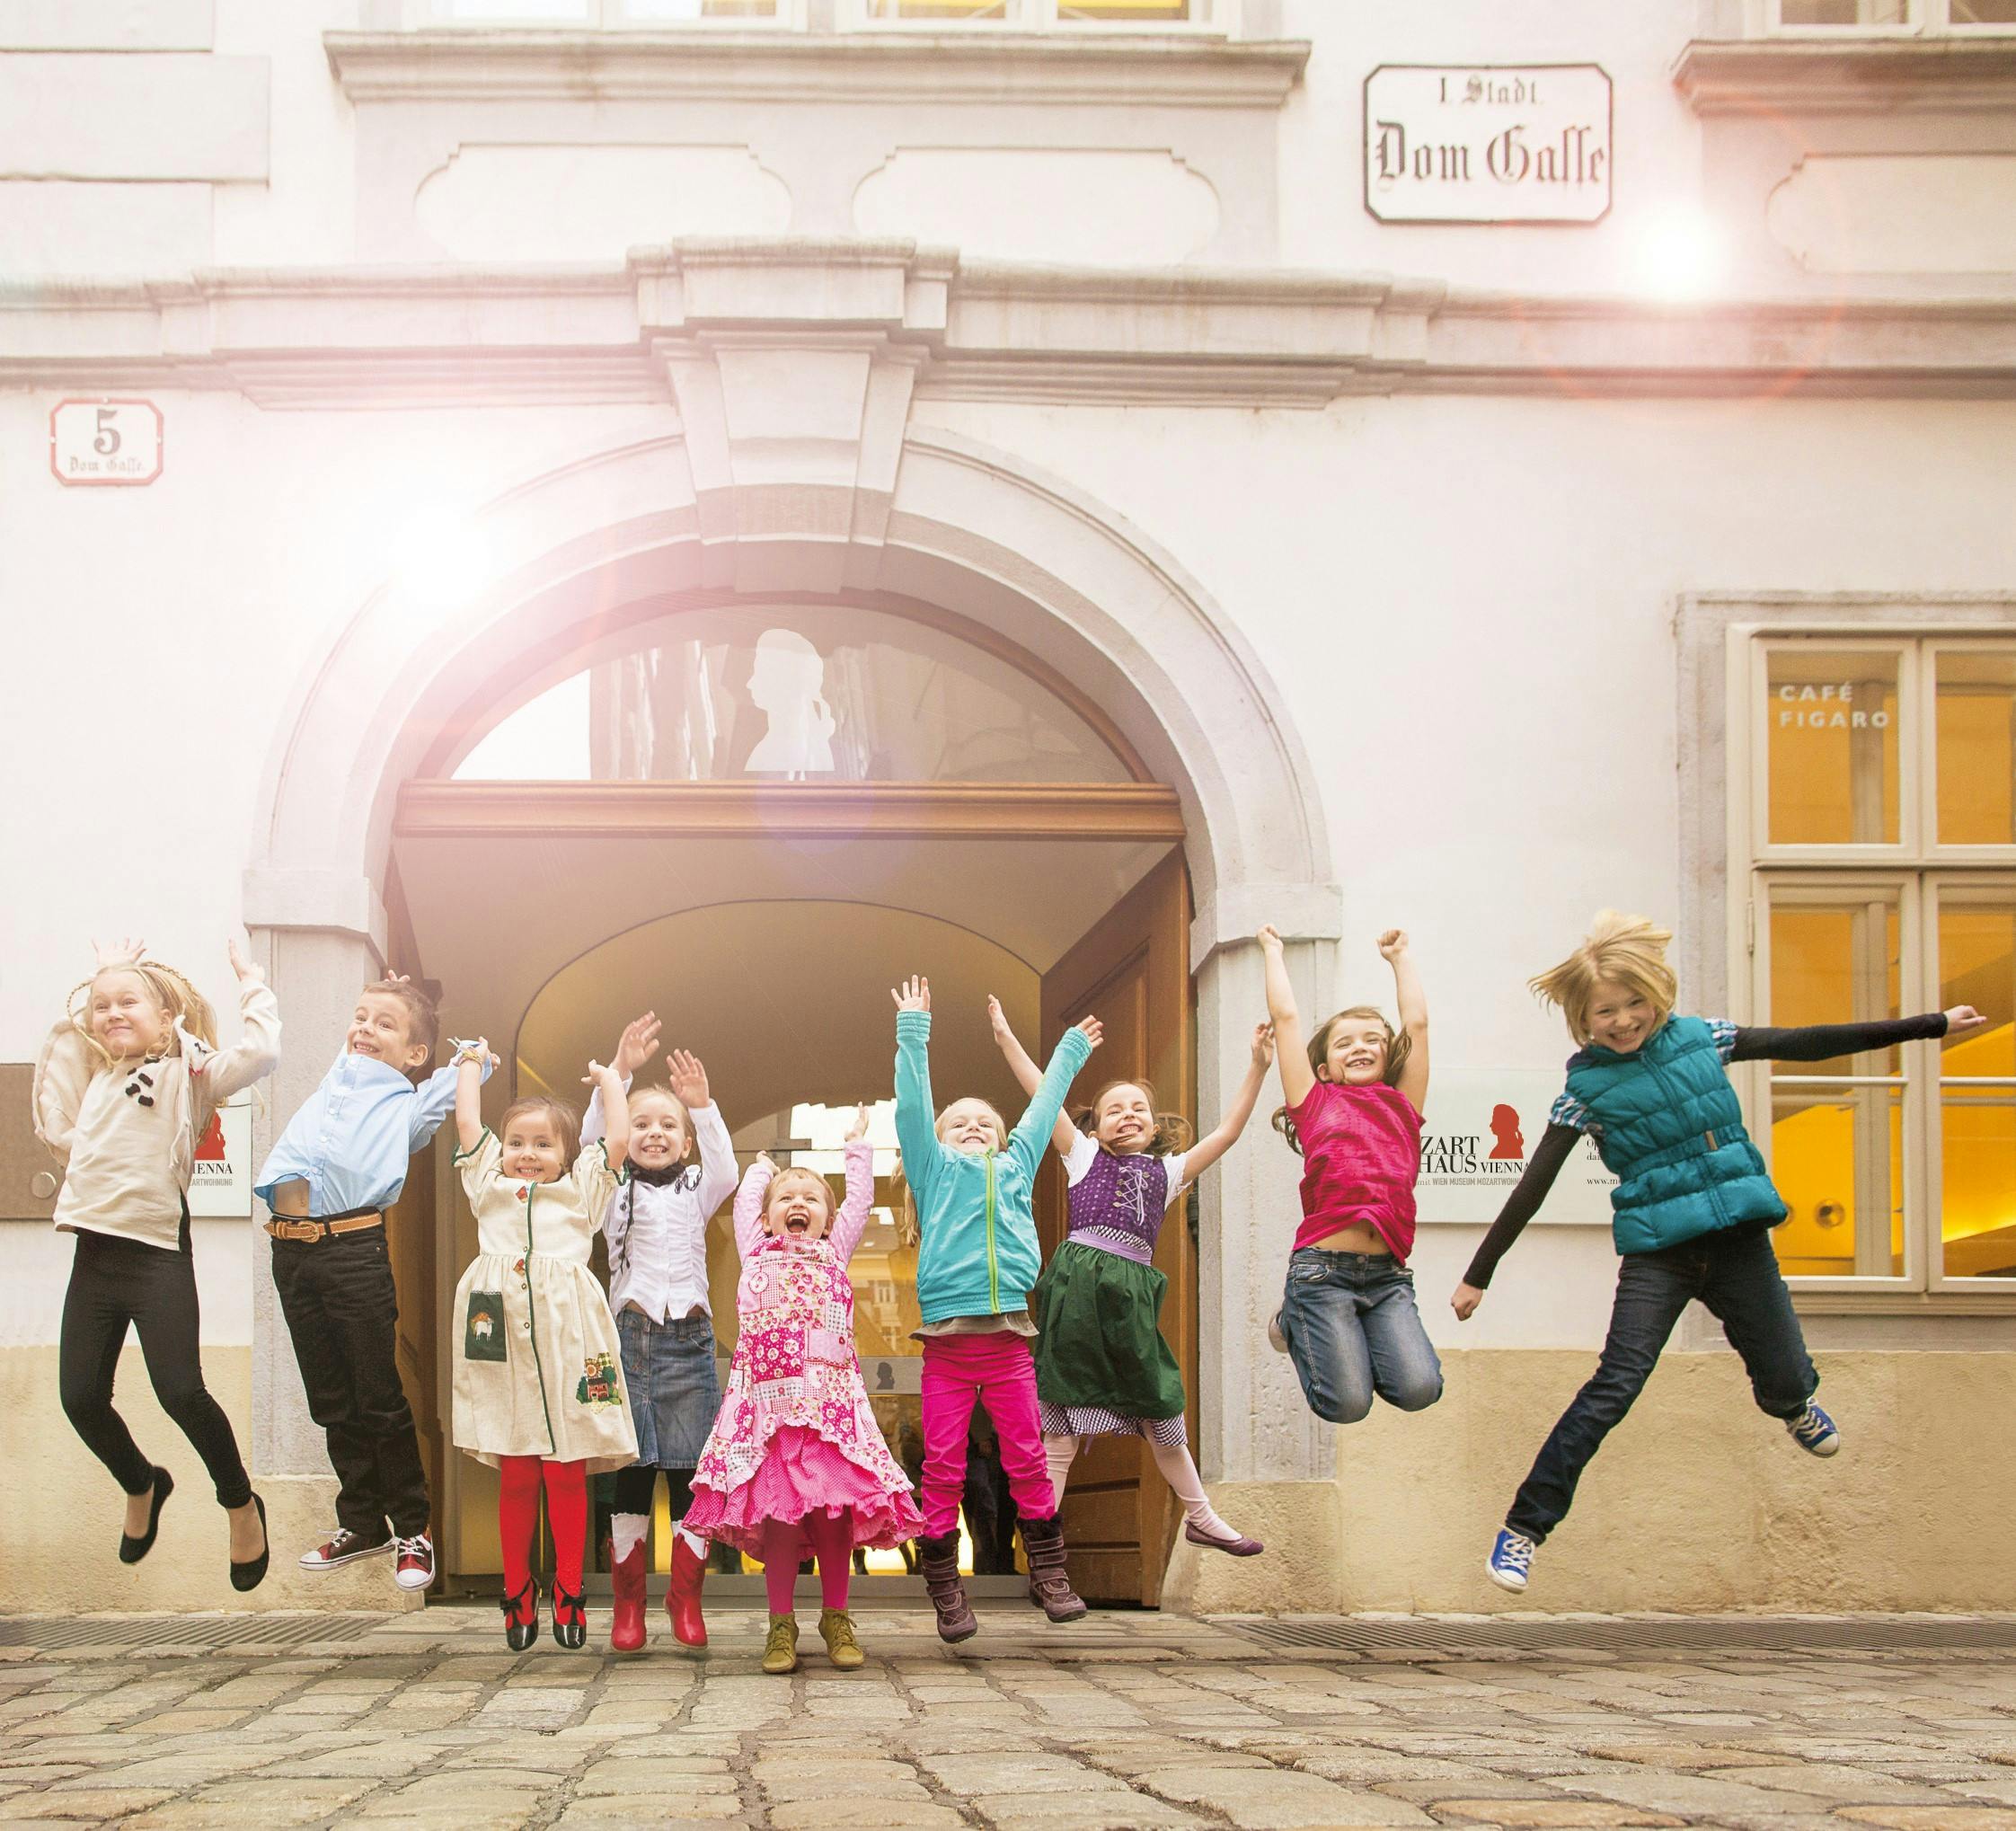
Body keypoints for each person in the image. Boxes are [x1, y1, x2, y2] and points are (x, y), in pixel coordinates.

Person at [1455, 909, 1988, 1594]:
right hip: (1660, 1254)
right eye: (1603, 1013)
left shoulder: (1704, 1038)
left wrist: (1930, 1024)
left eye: (1633, 1003)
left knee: (1790, 1377)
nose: (1622, 1021)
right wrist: (1478, 1277)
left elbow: (1809, 1042)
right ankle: (1524, 1530)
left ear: (1657, 993)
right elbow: (1533, 1186)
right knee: (1614, 1385)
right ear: (1582, 1021)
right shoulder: (1584, 1092)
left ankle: (1793, 1406)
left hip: (1737, 1238)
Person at [35, 936, 279, 1590]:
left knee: (181, 1392)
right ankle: (143, 1482)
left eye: (130, 1003)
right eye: (101, 1006)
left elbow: (261, 1053)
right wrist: (98, 981)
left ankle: (239, 1504)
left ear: (166, 1019)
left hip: (156, 1256)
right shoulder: (94, 1081)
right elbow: (60, 1067)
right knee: (80, 1398)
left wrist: (251, 980)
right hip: (95, 1256)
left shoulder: (186, 1074)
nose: (112, 1012)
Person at [990, 998, 1273, 1556]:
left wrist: (1259, 1067)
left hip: (1129, 1306)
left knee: (1161, 1406)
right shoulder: (1081, 1156)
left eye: (1139, 1107)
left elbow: (1228, 1133)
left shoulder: (1170, 1172)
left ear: (1153, 1121)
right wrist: (1005, 1039)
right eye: (1114, 1108)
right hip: (1076, 1300)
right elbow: (1040, 1093)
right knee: (1062, 1424)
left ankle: (1202, 1516)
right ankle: (1043, 1537)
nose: (1128, 1114)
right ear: (1095, 1123)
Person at [256, 973, 483, 1592]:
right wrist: (383, 1004)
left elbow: (474, 1057)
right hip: (291, 1253)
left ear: (414, 1054)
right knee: (329, 1399)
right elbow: (359, 1037)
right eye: (360, 1017)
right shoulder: (339, 1075)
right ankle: (361, 1521)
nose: (365, 1029)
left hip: (353, 1250)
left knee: (377, 1396)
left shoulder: (408, 1106)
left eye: (385, 1024)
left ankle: (413, 1527)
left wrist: (432, 1011)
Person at [892, 976, 1097, 1642]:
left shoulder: (1016, 1165)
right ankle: (947, 1588)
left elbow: (1041, 1114)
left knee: (1028, 1459)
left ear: (1002, 1138)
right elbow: (912, 1111)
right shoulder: (931, 1168)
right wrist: (914, 1034)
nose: (974, 1126)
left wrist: (1068, 1053)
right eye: (961, 1122)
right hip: (948, 1348)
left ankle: (1049, 1571)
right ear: (941, 1139)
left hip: (1010, 1340)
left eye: (986, 1121)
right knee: (944, 1466)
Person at [683, 1115, 924, 1675]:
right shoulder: (755, 1249)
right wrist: (761, 1169)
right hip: (766, 1413)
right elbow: (747, 1202)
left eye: (811, 1196)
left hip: (830, 1412)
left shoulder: (834, 1251)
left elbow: (859, 1199)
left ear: (828, 1217)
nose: (798, 1202)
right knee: (782, 1522)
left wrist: (858, 1146)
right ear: (766, 1217)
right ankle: (780, 1624)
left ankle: (836, 1616)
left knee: (835, 1517)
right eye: (785, 1196)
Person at [449, 1044, 639, 1650]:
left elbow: (615, 1140)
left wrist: (611, 1080)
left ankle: (568, 1588)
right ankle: (516, 1589)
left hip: (569, 1340)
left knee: (566, 1471)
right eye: (517, 1143)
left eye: (542, 1144)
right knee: (516, 1471)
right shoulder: (487, 1187)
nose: (526, 1154)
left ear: (565, 1155)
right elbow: (467, 1126)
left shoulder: (582, 1194)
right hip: (501, 1340)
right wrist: (469, 1068)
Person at [581, 1013, 738, 1654]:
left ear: (684, 1141)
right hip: (630, 1342)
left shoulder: (700, 1185)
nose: (652, 1134)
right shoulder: (612, 1188)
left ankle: (686, 1596)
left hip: (690, 1346)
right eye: (641, 1124)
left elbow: (727, 1170)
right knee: (632, 1471)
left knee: (690, 1473)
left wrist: (703, 1109)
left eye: (665, 1125)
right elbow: (595, 1141)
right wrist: (619, 1075)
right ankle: (628, 1602)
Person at [1259, 925, 1444, 1426]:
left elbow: (1419, 1026)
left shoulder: (1404, 1105)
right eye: (1344, 1044)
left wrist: (1400, 958)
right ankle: (1296, 1320)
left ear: (1388, 1055)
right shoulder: (1315, 1104)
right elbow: (1287, 1018)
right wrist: (1273, 952)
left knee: (1422, 1388)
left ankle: (1350, 1339)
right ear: (1323, 1068)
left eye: (1372, 1040)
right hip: (1322, 1273)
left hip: (1387, 1278)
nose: (1359, 1047)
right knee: (1347, 1406)